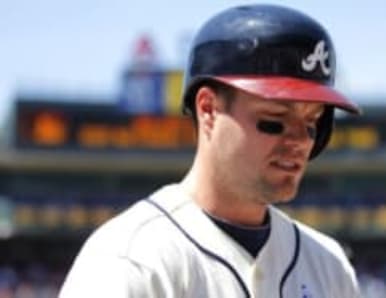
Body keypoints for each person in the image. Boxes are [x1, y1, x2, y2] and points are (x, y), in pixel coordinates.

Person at [60, 4, 362, 298]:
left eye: (312, 122)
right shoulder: (134, 259)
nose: (300, 141)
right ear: (208, 110)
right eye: (275, 120)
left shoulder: (329, 266)